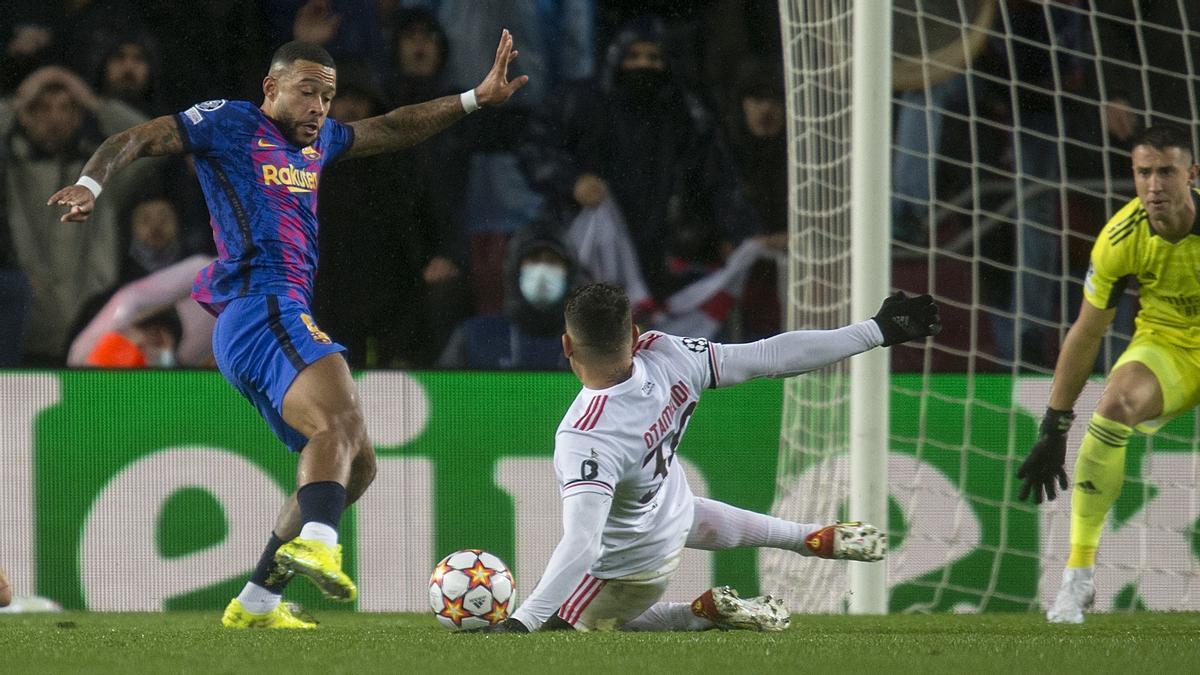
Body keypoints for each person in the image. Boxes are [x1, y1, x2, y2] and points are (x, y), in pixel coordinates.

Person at [46, 35, 527, 628]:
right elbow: (137, 137)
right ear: (271, 88)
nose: (319, 107)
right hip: (257, 306)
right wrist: (91, 186)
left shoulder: (320, 139)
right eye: (307, 92)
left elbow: (394, 127)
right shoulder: (230, 123)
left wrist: (475, 98)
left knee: (357, 465)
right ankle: (321, 541)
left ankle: (258, 600)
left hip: (276, 314)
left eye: (326, 96)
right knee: (340, 423)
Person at [482, 282, 940, 633]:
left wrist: (521, 622)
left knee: (566, 626)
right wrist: (874, 330)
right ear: (635, 333)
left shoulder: (584, 435)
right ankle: (805, 537)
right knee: (670, 502)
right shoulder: (668, 353)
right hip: (673, 513)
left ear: (567, 345)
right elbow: (769, 356)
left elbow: (583, 542)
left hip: (630, 569)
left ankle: (693, 614)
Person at [1016, 124, 1200, 624]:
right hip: (1169, 347)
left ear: (1192, 174)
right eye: (1144, 172)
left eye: (1166, 171)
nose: (1155, 185)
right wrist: (1054, 423)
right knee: (1113, 407)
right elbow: (1086, 332)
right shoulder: (1120, 238)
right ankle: (1077, 579)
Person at [438, 225, 582, 370]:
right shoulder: (474, 337)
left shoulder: (588, 345)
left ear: (569, 274)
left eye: (552, 261)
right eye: (533, 260)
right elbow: (441, 391)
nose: (542, 271)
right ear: (514, 270)